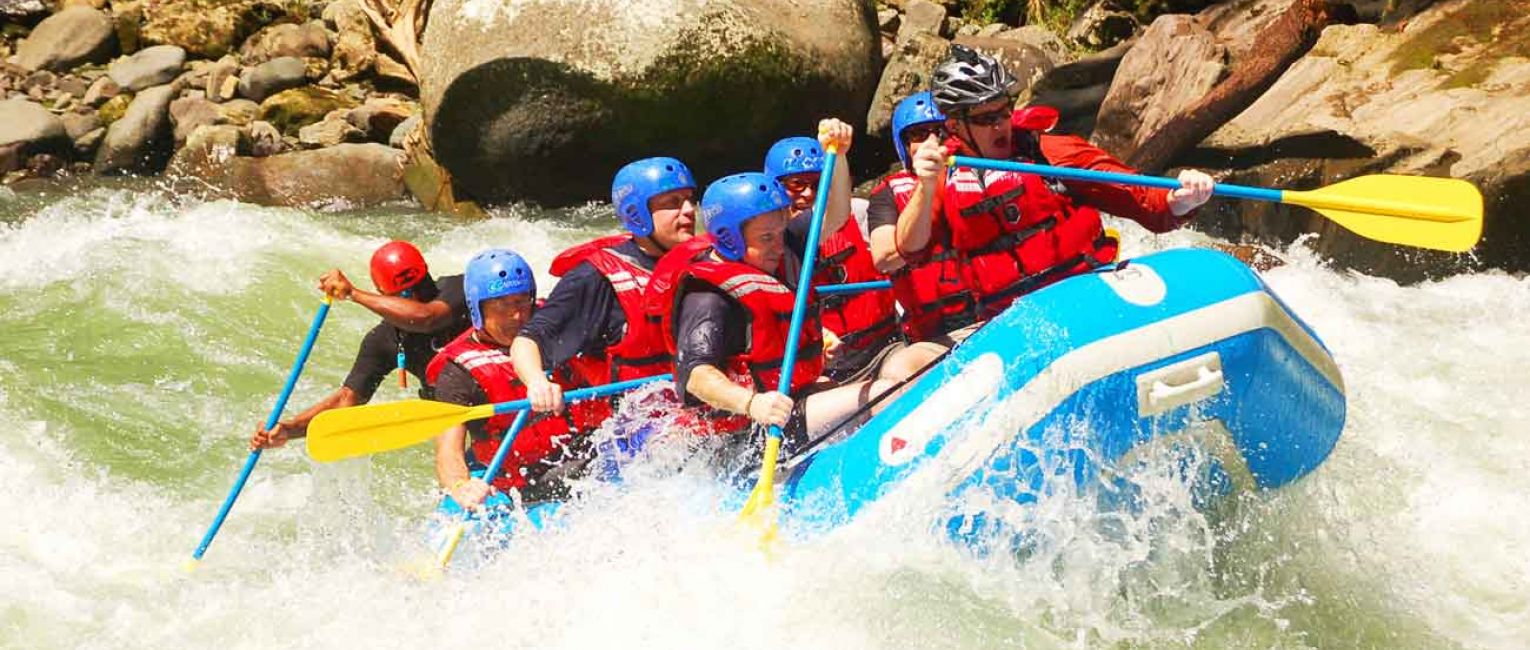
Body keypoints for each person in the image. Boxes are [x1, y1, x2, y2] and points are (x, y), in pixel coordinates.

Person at [869, 45, 1217, 381]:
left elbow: (1144, 200)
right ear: (955, 126)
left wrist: (1182, 199)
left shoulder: (1050, 152)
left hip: (1086, 297)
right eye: (987, 118)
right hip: (1014, 325)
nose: (1001, 126)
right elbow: (910, 250)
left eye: (1005, 111)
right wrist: (926, 186)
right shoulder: (942, 178)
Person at [648, 134, 890, 461]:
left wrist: (840, 155)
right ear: (728, 238)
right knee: (884, 393)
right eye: (766, 238)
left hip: (793, 401)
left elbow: (835, 214)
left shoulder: (783, 245)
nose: (779, 244)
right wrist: (752, 404)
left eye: (779, 232)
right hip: (749, 432)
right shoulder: (708, 296)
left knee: (897, 380)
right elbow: (696, 375)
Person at [510, 157, 698, 428]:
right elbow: (528, 340)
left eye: (690, 199)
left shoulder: (703, 262)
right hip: (630, 433)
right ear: (638, 215)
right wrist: (537, 382)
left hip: (694, 419)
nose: (690, 210)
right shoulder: (595, 278)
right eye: (673, 203)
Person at [249, 240, 471, 450]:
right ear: (386, 296)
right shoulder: (384, 340)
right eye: (405, 293)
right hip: (455, 419)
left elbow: (426, 318)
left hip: (497, 396)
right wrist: (288, 429)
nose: (417, 295)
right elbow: (347, 402)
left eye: (425, 285)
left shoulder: (461, 288)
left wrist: (353, 294)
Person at [429, 249, 582, 508]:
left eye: (522, 301)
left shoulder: (553, 322)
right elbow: (448, 448)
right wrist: (460, 485)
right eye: (502, 304)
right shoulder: (457, 372)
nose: (517, 316)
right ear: (477, 309)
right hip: (516, 480)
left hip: (580, 455)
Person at [763, 136, 902, 383]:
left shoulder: (857, 212)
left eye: (817, 184)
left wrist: (838, 154)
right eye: (797, 185)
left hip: (884, 345)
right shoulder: (770, 246)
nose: (808, 193)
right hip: (827, 367)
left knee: (901, 371)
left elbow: (839, 211)